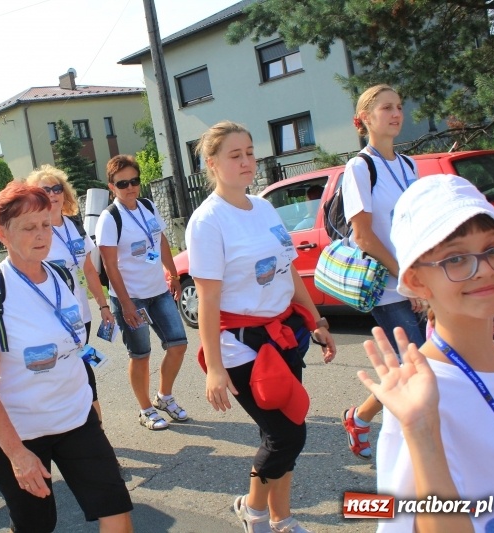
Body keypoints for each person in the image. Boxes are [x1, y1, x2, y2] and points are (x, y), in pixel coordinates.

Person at [186, 121, 336, 533]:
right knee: (286, 435)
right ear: (212, 164)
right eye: (236, 155)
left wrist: (316, 320)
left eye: (250, 152)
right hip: (240, 346)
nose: (247, 161)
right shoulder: (207, 221)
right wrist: (214, 368)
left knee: (289, 431)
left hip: (283, 336)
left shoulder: (265, 207)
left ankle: (280, 518)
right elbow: (208, 300)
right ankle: (254, 511)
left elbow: (288, 275)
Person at [0, 183, 133, 532]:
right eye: (28, 227)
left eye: (45, 225)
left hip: (75, 420)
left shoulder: (62, 276)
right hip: (18, 434)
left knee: (116, 512)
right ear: (1, 232)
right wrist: (17, 455)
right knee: (36, 525)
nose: (42, 236)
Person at [362, 174, 494, 532]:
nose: (485, 269)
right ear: (415, 281)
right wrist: (420, 431)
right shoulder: (420, 397)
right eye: (455, 258)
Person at [341, 84, 426, 460]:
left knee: (415, 368)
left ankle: (359, 417)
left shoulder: (409, 165)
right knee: (420, 371)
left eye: (400, 107)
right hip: (391, 289)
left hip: (420, 284)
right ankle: (416, 455)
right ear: (365, 120)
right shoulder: (360, 167)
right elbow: (363, 236)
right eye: (386, 108)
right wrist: (406, 278)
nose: (396, 114)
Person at [95, 154, 189, 431]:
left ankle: (164, 397)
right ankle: (145, 409)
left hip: (158, 291)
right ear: (112, 186)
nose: (130, 187)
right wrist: (125, 304)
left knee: (178, 344)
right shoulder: (109, 218)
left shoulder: (147, 206)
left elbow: (160, 240)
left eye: (134, 181)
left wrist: (172, 274)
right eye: (122, 183)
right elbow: (110, 265)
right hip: (130, 297)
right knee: (141, 354)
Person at [25, 165, 114, 422]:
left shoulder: (74, 226)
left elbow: (89, 269)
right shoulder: (35, 231)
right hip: (51, 319)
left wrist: (103, 306)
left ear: (64, 194)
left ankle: (94, 431)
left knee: (82, 369)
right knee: (68, 373)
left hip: (79, 316)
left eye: (57, 188)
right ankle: (75, 428)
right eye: (45, 189)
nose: (52, 194)